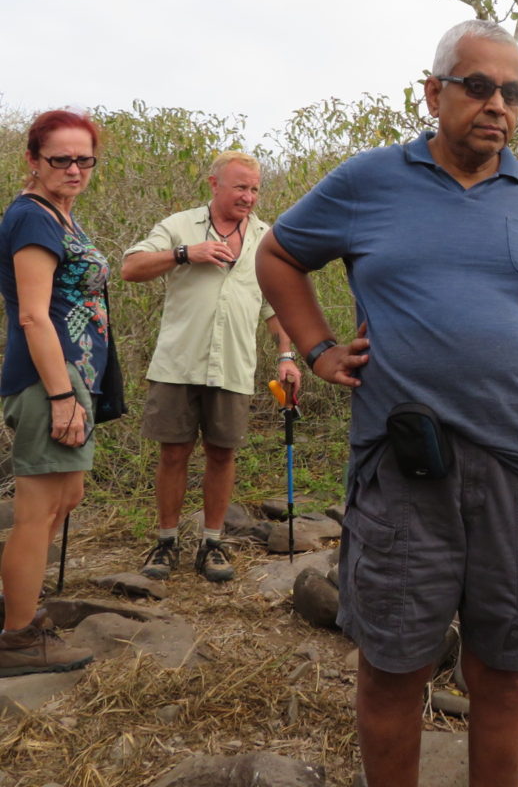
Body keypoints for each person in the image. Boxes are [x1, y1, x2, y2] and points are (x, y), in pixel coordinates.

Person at [255, 19, 518, 787]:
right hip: (403, 468)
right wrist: (320, 349)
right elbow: (279, 254)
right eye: (480, 86)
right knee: (393, 668)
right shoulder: (368, 181)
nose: (499, 104)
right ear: (434, 92)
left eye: (514, 92)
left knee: (508, 670)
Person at [123, 151, 301, 583]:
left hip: (234, 365)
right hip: (177, 363)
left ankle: (212, 543)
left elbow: (275, 308)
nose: (249, 197)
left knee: (223, 454)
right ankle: (166, 542)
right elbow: (130, 267)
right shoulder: (179, 225)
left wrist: (286, 355)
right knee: (173, 453)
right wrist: (186, 253)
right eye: (240, 187)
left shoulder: (266, 237)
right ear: (214, 184)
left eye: (255, 189)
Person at [0, 109, 109, 676]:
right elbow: (34, 317)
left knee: (65, 501)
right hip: (50, 381)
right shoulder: (33, 219)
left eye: (83, 159)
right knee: (37, 511)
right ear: (34, 161)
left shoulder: (61, 217)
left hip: (71, 379)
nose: (73, 168)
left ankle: (18, 609)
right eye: (60, 159)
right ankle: (16, 638)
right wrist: (63, 396)